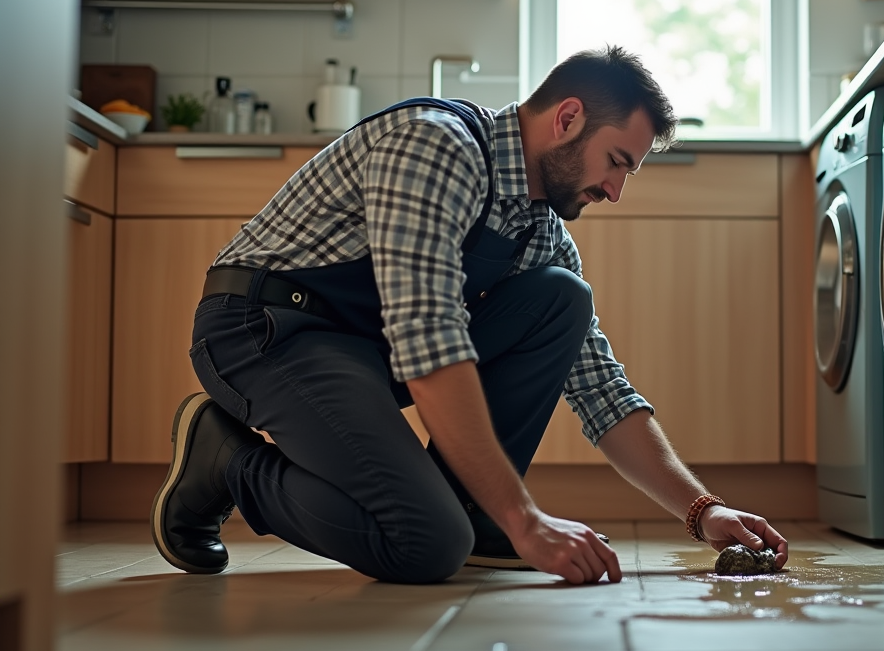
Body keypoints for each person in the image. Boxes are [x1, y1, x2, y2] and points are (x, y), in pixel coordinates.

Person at [150, 45, 789, 586]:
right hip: (266, 328)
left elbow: (600, 389)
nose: (616, 191)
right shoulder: (436, 145)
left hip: (361, 351)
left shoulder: (539, 231)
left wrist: (702, 510)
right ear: (568, 118)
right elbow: (425, 333)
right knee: (425, 545)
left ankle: (473, 509)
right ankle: (224, 461)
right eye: (617, 162)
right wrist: (528, 521)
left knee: (561, 296)